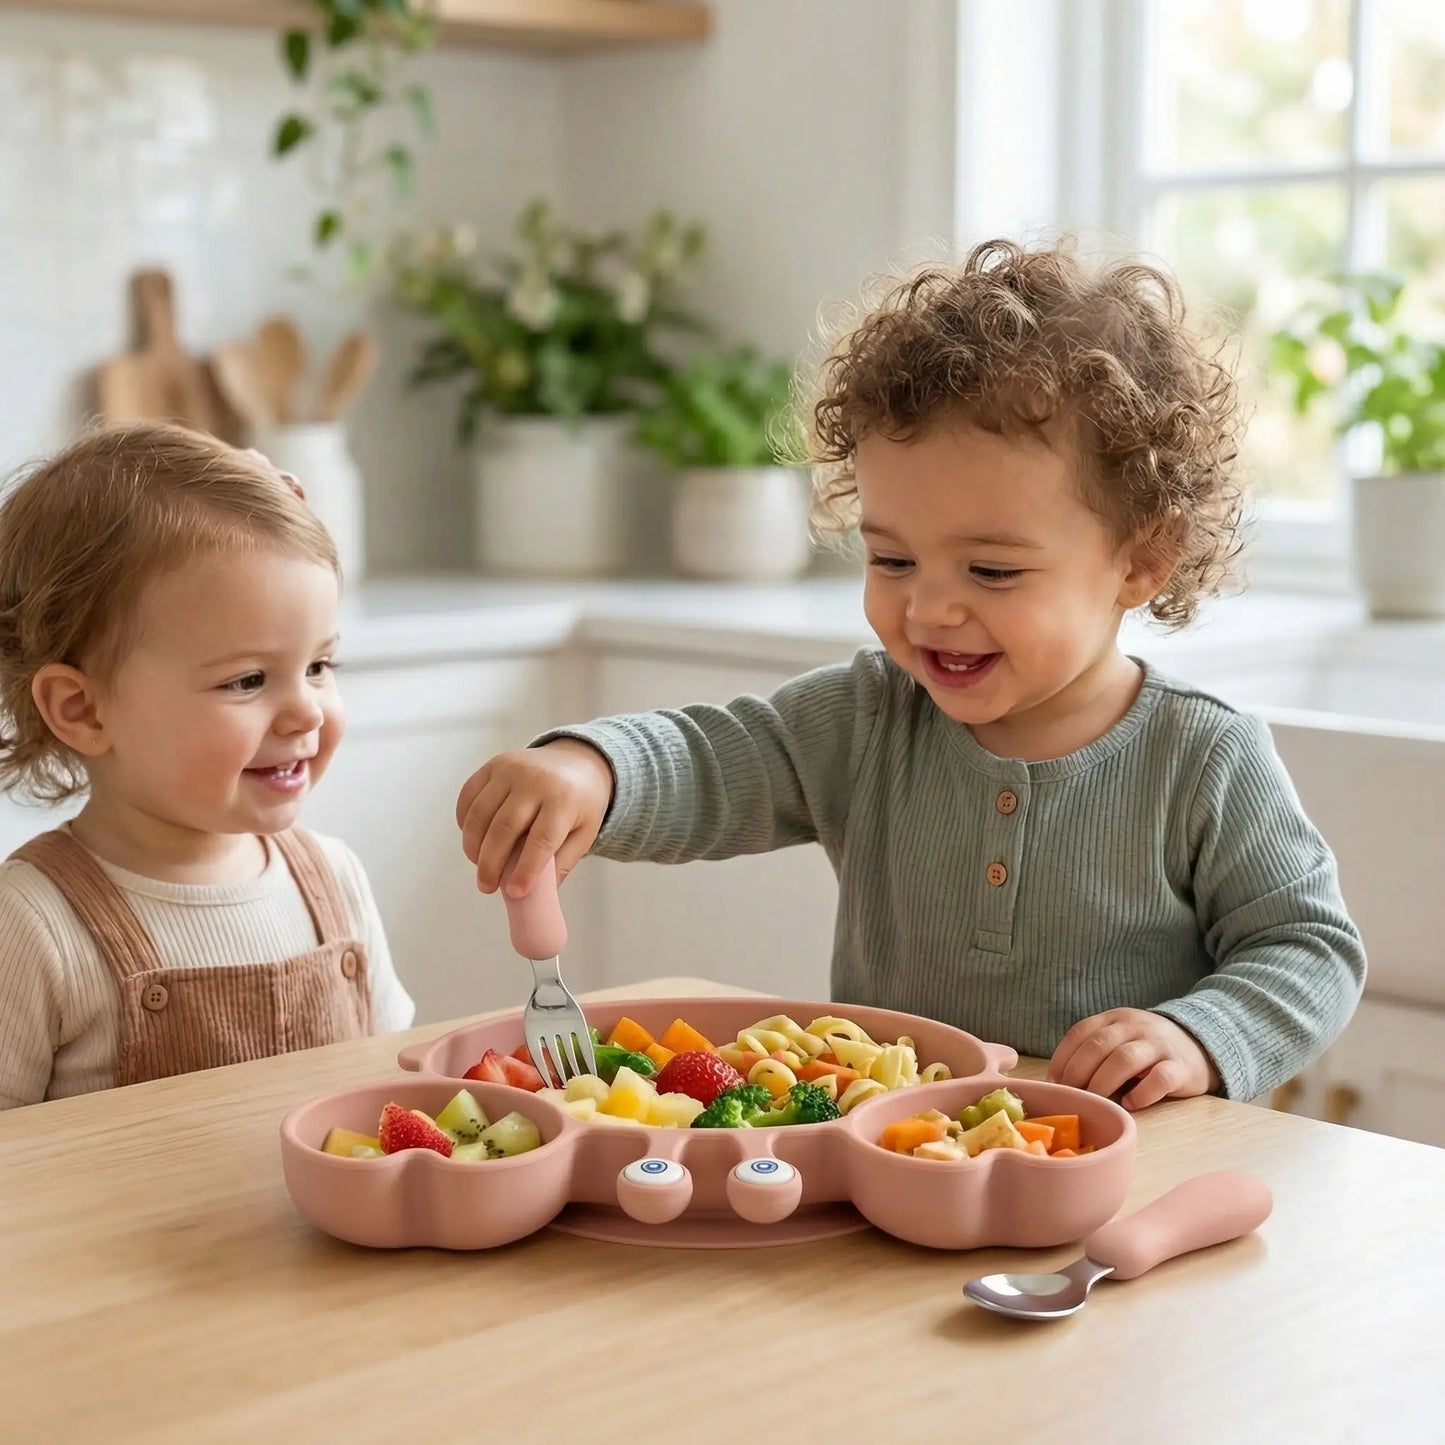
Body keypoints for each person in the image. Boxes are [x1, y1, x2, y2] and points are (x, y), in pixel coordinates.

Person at [454, 238, 1365, 1109]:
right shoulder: (870, 717)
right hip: (888, 1152)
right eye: (891, 561)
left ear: (1140, 560)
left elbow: (1306, 945)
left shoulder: (1202, 754)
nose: (929, 611)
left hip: (1111, 1168)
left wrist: (1197, 1037)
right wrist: (590, 768)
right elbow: (714, 757)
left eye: (992, 571)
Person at [0, 422, 413, 1109]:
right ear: (83, 710)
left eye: (318, 666)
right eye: (248, 680)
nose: (305, 712)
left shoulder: (334, 881)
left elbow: (392, 1090)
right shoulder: (34, 923)